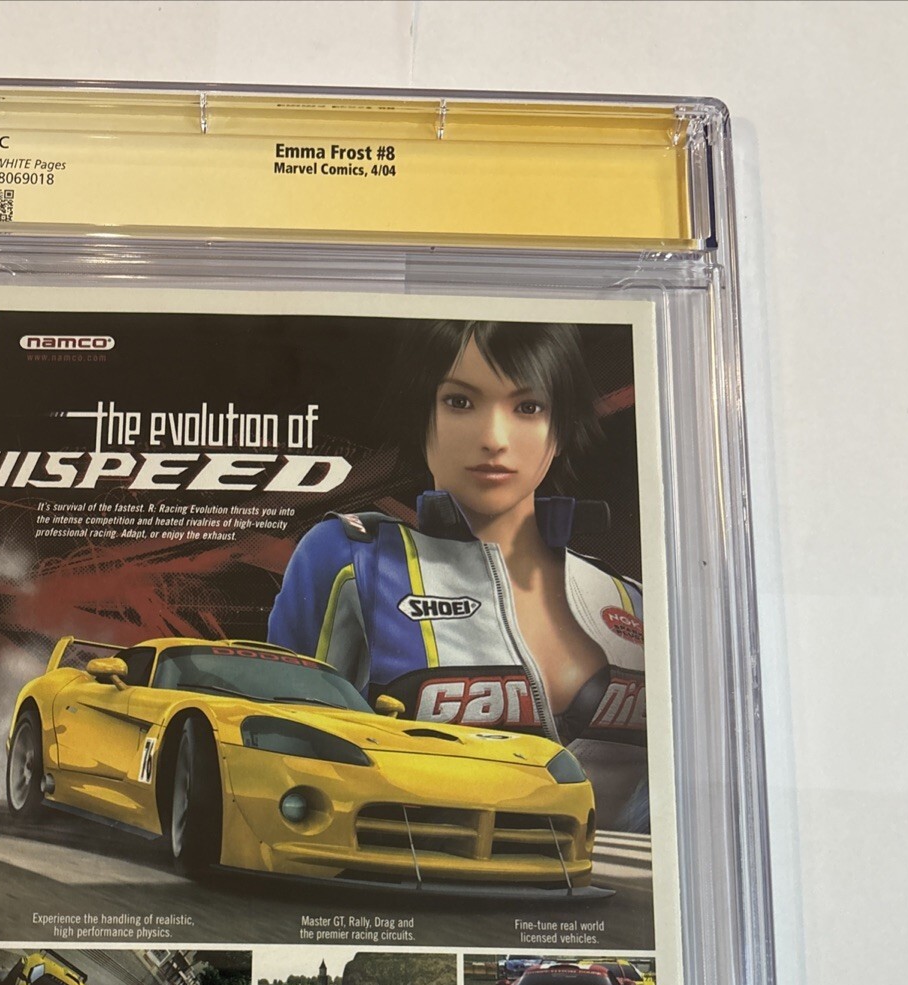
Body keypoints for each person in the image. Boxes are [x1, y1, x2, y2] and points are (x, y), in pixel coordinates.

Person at [267, 319, 648, 831]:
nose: (493, 438)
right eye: (460, 402)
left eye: (528, 407)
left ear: (559, 428)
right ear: (421, 416)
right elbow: (281, 750)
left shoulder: (629, 600)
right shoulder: (354, 560)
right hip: (408, 870)